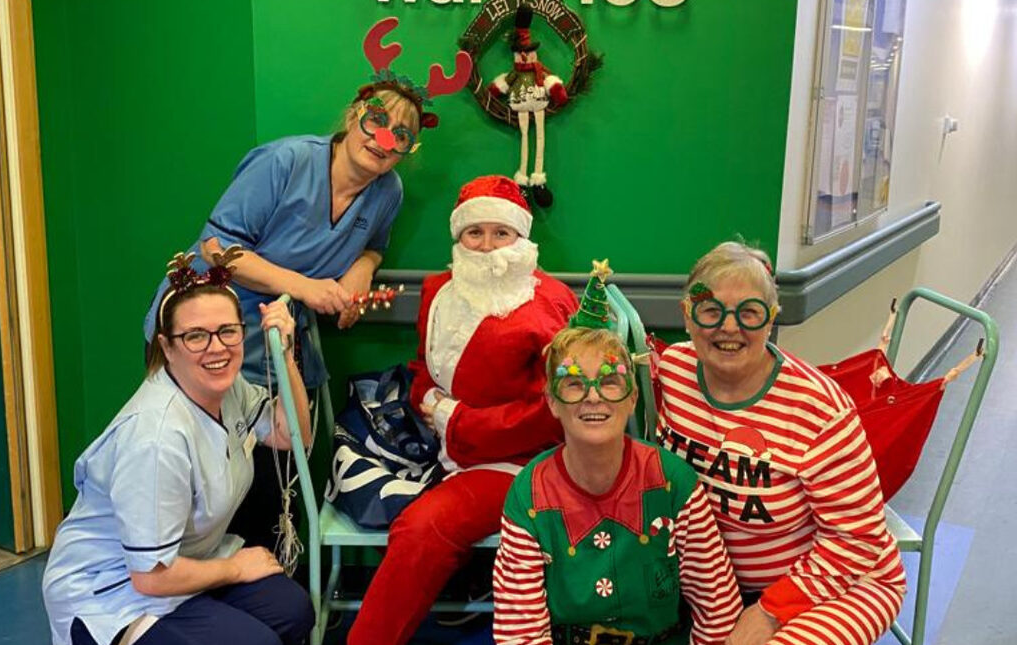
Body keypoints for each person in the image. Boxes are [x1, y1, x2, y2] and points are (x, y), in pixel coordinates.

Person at [141, 18, 472, 548]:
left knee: (273, 485)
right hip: (206, 334)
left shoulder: (388, 192)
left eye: (401, 135)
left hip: (280, 347)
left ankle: (265, 596)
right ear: (353, 116)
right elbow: (216, 248)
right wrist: (306, 287)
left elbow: (372, 245)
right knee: (201, 485)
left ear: (409, 149)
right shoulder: (286, 161)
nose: (383, 140)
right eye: (376, 121)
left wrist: (355, 276)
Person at [345, 175, 578, 645]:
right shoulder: (440, 291)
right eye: (475, 233)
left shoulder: (550, 303)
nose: (487, 245)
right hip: (444, 448)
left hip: (520, 463)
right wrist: (427, 400)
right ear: (459, 236)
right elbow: (424, 366)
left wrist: (459, 421)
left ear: (521, 237)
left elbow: (557, 409)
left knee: (420, 528)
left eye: (501, 233)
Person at [44, 250, 313, 645]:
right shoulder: (156, 437)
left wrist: (285, 354)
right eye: (196, 336)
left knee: (293, 611)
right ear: (167, 348)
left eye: (228, 331)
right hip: (115, 589)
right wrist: (237, 569)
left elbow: (293, 437)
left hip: (187, 562)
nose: (216, 347)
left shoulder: (227, 389)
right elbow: (150, 576)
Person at [655, 241, 906, 645]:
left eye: (749, 312)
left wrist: (771, 611)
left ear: (771, 320)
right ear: (687, 316)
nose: (729, 327)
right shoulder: (672, 371)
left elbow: (857, 540)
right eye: (710, 311)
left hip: (844, 581)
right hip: (715, 584)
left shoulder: (820, 410)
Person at [491, 283, 746, 645]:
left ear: (633, 398)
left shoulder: (673, 482)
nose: (593, 396)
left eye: (610, 382)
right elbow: (521, 632)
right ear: (551, 401)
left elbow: (717, 609)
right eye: (574, 384)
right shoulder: (530, 494)